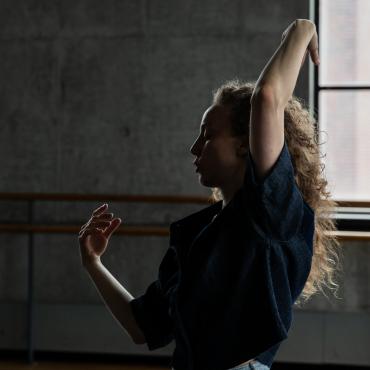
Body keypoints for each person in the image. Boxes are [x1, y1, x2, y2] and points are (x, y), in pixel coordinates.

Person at [78, 19, 343, 370]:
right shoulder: (196, 236)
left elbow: (267, 98)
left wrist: (303, 29)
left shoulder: (271, 212)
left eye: (208, 135)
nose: (194, 148)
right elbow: (141, 327)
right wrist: (92, 263)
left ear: (245, 145)